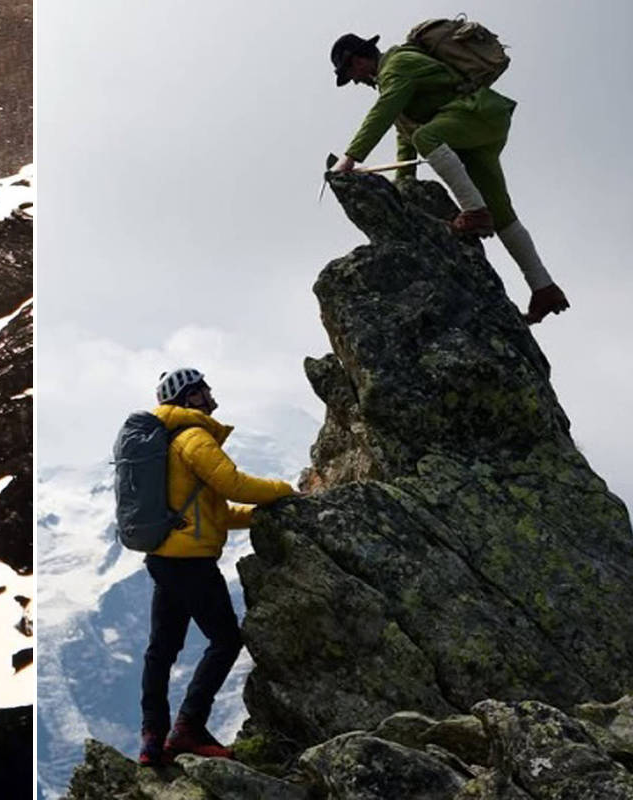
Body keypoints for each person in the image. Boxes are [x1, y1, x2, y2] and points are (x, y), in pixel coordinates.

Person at [328, 31, 570, 325]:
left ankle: (474, 212)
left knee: (427, 136)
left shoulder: (397, 65)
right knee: (502, 213)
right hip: (476, 126)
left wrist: (349, 159)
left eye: (350, 72)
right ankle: (544, 287)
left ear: (358, 59)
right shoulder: (393, 81)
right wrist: (404, 186)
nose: (354, 80)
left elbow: (385, 112)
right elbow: (404, 134)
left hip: (476, 114)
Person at [138, 368, 297, 766]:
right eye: (203, 389)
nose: (211, 394)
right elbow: (232, 484)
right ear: (190, 398)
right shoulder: (194, 438)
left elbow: (211, 511)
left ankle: (152, 738)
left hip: (164, 558)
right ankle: (188, 727)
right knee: (225, 640)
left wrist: (258, 513)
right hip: (191, 562)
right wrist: (285, 492)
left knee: (161, 650)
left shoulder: (170, 441)